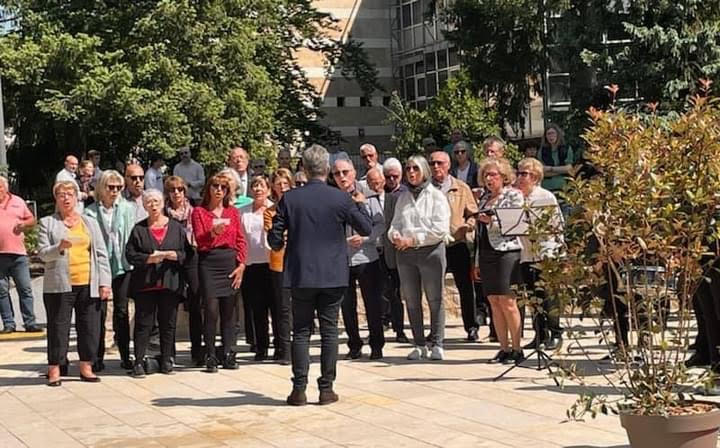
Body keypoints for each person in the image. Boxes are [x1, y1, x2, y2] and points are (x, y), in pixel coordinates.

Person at [269, 144, 372, 406]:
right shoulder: (339, 198)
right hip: (332, 274)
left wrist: (281, 238)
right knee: (329, 332)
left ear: (303, 168)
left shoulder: (290, 198)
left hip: (301, 273)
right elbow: (366, 227)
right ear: (326, 169)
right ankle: (326, 389)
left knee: (301, 332)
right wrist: (359, 204)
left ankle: (299, 389)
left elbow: (274, 240)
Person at [37, 181, 112, 386]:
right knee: (58, 328)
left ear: (76, 197)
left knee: (89, 327)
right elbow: (42, 254)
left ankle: (86, 367)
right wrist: (58, 247)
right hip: (59, 285)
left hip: (88, 282)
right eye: (61, 194)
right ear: (56, 198)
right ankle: (55, 368)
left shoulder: (89, 222)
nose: (66, 198)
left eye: (70, 194)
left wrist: (105, 283)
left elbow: (101, 254)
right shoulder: (47, 223)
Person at [388, 155, 451, 361]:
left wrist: (413, 239)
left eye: (415, 168)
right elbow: (395, 224)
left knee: (435, 298)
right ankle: (419, 343)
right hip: (405, 254)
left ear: (424, 170)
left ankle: (437, 343)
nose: (411, 172)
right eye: (408, 169)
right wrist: (395, 236)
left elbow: (440, 229)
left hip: (430, 251)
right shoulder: (403, 198)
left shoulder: (436, 196)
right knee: (412, 300)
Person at [125, 189, 187, 377]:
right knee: (144, 323)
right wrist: (149, 259)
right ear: (144, 205)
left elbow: (186, 253)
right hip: (146, 284)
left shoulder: (176, 227)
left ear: (163, 203)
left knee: (168, 323)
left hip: (170, 283)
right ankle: (138, 360)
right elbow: (130, 255)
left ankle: (167, 359)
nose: (153, 205)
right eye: (149, 202)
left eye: (156, 201)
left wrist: (174, 255)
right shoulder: (139, 229)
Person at [192, 174, 247, 372]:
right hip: (209, 261)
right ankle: (210, 354)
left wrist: (241, 264)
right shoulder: (199, 212)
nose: (219, 190)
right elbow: (199, 239)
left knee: (229, 311)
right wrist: (212, 233)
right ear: (208, 188)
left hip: (229, 260)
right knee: (211, 310)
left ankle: (229, 352)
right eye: (215, 186)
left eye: (223, 187)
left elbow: (240, 239)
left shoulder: (232, 212)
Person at [83, 170, 137, 371]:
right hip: (99, 265)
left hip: (122, 264)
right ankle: (97, 356)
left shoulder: (127, 208)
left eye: (118, 188)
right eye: (110, 187)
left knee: (122, 311)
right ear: (101, 188)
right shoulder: (90, 212)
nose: (114, 191)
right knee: (99, 311)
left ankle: (125, 354)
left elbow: (132, 235)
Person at [333, 158, 386, 360]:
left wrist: (366, 238)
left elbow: (380, 224)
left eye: (345, 172)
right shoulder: (332, 198)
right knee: (347, 305)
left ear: (354, 172)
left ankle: (376, 344)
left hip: (367, 256)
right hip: (342, 259)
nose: (342, 177)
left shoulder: (367, 195)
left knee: (373, 303)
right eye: (337, 174)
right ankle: (354, 344)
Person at [475, 158, 525, 365]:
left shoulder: (513, 195)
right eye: (486, 175)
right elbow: (479, 232)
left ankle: (517, 348)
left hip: (507, 252)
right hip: (487, 252)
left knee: (508, 301)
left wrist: (492, 221)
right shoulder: (484, 199)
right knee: (494, 301)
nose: (489, 179)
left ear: (503, 176)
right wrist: (477, 261)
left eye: (493, 175)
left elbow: (517, 223)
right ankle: (503, 348)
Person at [514, 158, 564, 350]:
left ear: (535, 177)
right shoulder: (517, 198)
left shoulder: (545, 197)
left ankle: (556, 333)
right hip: (525, 253)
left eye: (524, 174)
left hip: (545, 252)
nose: (519, 177)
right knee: (532, 296)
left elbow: (557, 225)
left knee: (549, 296)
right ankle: (539, 334)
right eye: (518, 173)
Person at [430, 151, 480, 342]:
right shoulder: (425, 189)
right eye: (433, 163)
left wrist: (469, 226)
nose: (436, 167)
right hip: (434, 246)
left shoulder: (461, 187)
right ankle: (435, 330)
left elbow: (473, 213)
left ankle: (472, 327)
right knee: (434, 290)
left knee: (465, 288)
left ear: (448, 165)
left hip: (457, 244)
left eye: (440, 163)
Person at [164, 175, 204, 366]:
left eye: (180, 189)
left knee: (196, 304)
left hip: (192, 257)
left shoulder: (194, 210)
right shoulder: (164, 212)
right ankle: (168, 352)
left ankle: (197, 350)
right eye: (173, 190)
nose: (177, 193)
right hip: (171, 259)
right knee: (170, 305)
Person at [240, 176, 276, 361]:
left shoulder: (274, 209)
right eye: (255, 186)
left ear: (269, 190)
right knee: (257, 308)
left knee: (276, 307)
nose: (258, 189)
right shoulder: (243, 212)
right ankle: (261, 347)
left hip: (272, 264)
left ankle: (279, 345)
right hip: (251, 264)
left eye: (262, 185)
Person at [0, 175, 41, 333]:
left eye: (0, 187)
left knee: (25, 288)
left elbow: (32, 219)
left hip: (18, 254)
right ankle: (8, 324)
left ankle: (30, 322)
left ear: (6, 187)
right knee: (2, 291)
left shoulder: (18, 201)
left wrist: (23, 224)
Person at [263, 168, 294, 365]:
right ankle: (284, 349)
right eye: (278, 184)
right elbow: (273, 235)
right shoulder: (270, 212)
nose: (282, 188)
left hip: (299, 261)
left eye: (285, 184)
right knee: (282, 308)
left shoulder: (298, 207)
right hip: (279, 262)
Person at [380, 158, 409, 343]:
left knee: (399, 292)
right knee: (384, 291)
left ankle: (400, 330)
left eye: (395, 176)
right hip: (381, 249)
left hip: (401, 250)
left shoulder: (406, 194)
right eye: (388, 176)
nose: (391, 180)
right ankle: (383, 323)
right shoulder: (379, 193)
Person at [539, 124, 575, 193]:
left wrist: (550, 169)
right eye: (548, 134)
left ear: (558, 134)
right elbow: (542, 171)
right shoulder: (542, 151)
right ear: (545, 136)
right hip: (547, 188)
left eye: (553, 133)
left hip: (564, 187)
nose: (551, 136)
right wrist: (561, 170)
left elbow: (569, 169)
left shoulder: (566, 149)